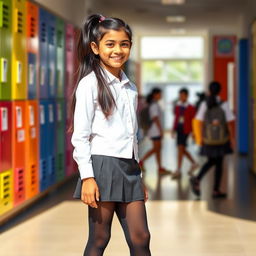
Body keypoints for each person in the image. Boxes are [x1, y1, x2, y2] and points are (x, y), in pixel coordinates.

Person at [70, 14, 151, 255]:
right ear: (95, 48)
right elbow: (80, 136)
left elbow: (131, 136)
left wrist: (138, 173)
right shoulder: (89, 84)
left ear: (130, 47)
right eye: (110, 44)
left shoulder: (130, 87)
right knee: (99, 238)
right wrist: (87, 178)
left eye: (124, 44)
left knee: (141, 237)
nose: (118, 50)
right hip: (102, 166)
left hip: (129, 168)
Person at [190, 81, 235, 199]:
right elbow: (229, 122)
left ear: (209, 91)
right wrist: (232, 138)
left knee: (212, 161)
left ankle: (198, 179)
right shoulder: (224, 104)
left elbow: (197, 121)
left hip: (208, 139)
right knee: (218, 163)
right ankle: (215, 190)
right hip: (221, 139)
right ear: (220, 91)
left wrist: (199, 138)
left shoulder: (205, 103)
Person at [139, 88, 169, 175]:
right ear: (155, 94)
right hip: (155, 130)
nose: (161, 96)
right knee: (156, 149)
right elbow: (155, 118)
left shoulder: (153, 104)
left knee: (158, 149)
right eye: (160, 94)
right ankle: (141, 162)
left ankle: (160, 168)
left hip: (154, 130)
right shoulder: (154, 105)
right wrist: (161, 130)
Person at [171, 88, 198, 179]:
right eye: (180, 95)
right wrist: (173, 129)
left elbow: (194, 121)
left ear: (187, 96)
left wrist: (194, 133)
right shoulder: (178, 106)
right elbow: (176, 118)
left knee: (180, 148)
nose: (181, 97)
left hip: (186, 130)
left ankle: (178, 170)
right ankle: (194, 163)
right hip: (179, 129)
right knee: (181, 149)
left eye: (182, 95)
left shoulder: (191, 107)